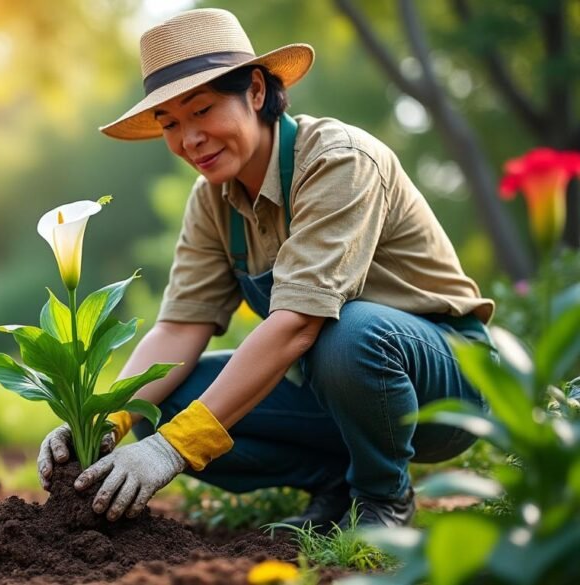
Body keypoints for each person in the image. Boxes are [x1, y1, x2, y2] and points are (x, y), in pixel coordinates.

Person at [36, 8, 496, 530]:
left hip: (447, 383)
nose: (190, 140)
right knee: (164, 402)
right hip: (334, 394)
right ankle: (335, 484)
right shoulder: (212, 200)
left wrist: (175, 450)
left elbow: (299, 324)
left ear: (256, 91)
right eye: (170, 124)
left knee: (351, 335)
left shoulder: (338, 162)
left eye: (202, 110)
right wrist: (108, 419)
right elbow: (179, 328)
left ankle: (382, 498)